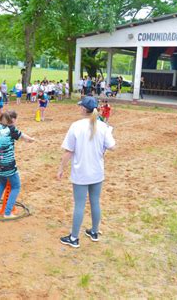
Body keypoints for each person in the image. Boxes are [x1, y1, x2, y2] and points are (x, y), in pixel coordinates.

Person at [57, 97, 115, 248]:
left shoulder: (76, 126)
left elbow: (69, 151)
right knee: (95, 201)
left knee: (80, 205)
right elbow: (112, 146)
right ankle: (94, 231)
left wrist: (61, 168)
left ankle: (74, 238)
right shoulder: (102, 126)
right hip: (97, 172)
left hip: (81, 172)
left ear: (83, 109)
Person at [0, 111, 35, 218]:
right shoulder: (10, 129)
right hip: (7, 163)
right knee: (16, 186)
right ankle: (7, 212)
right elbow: (22, 136)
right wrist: (30, 140)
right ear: (13, 120)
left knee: (2, 183)